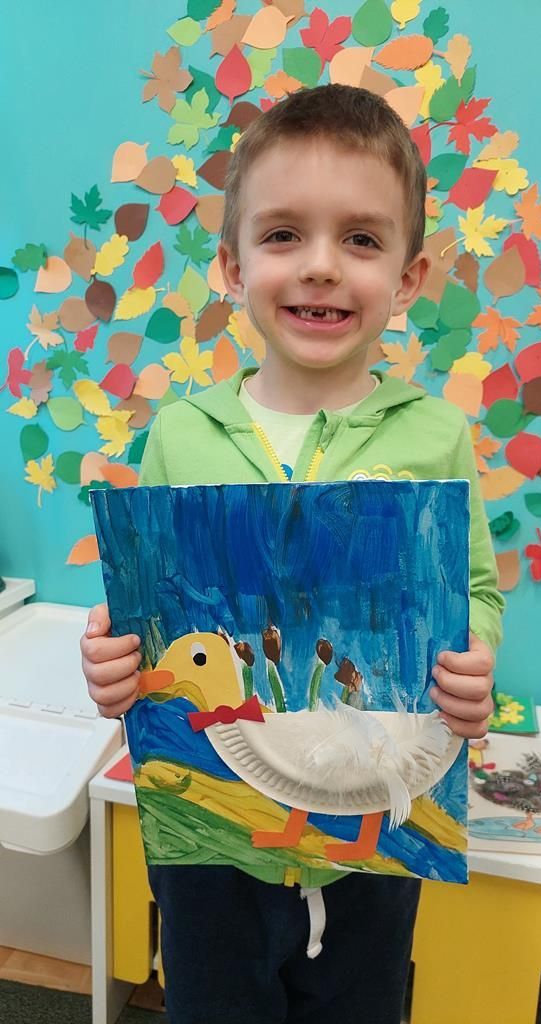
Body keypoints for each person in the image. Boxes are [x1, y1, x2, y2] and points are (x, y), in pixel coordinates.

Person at [81, 84, 504, 1024]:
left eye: (360, 239)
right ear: (232, 268)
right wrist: (112, 662)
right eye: (282, 235)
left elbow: (475, 590)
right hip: (213, 847)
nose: (319, 266)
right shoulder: (179, 435)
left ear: (407, 278)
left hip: (371, 840)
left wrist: (473, 660)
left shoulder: (435, 434)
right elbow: (145, 619)